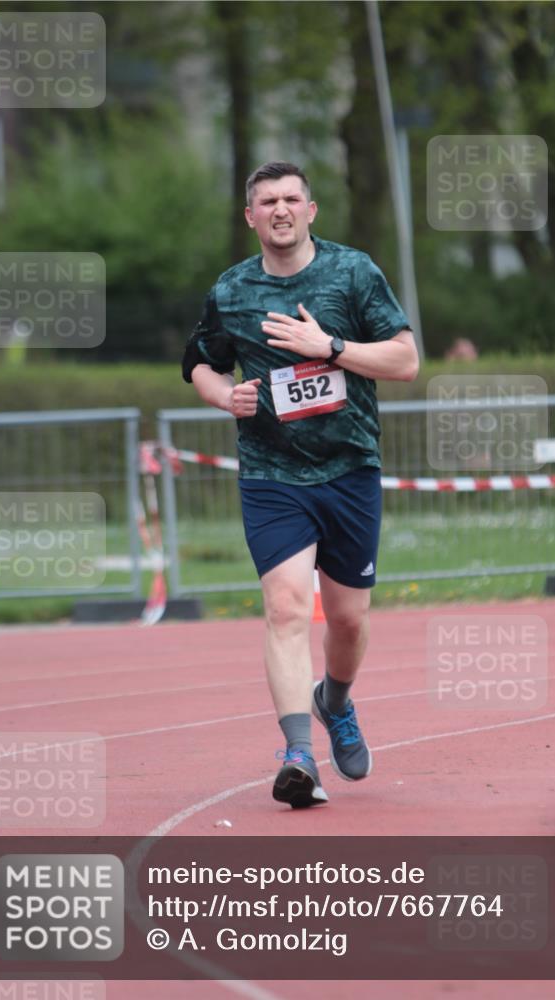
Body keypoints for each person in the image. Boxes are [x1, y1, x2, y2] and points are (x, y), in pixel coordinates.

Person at [182, 161, 419, 809]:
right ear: (250, 217)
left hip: (348, 469)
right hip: (271, 474)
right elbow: (199, 363)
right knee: (286, 609)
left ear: (310, 210)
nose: (280, 209)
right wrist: (223, 395)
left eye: (291, 198)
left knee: (347, 619)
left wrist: (330, 344)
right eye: (267, 201)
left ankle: (334, 701)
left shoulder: (351, 273)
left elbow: (403, 360)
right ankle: (296, 755)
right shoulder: (230, 292)